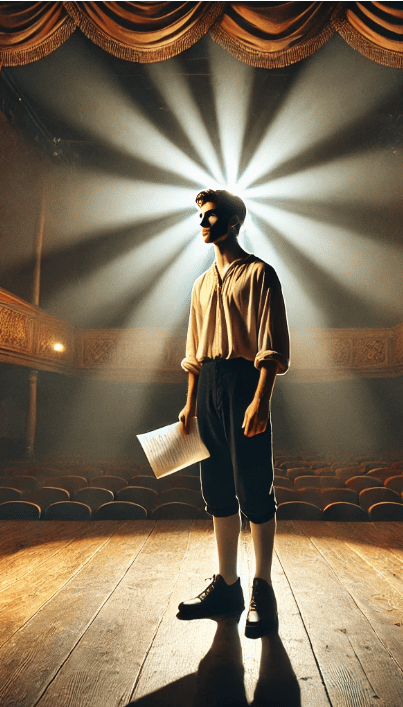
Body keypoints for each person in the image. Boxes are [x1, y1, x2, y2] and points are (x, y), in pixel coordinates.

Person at [176, 188, 290, 639]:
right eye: (201, 217)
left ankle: (263, 589)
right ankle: (228, 587)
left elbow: (271, 344)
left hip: (245, 383)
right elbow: (194, 350)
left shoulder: (261, 273)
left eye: (210, 217)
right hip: (208, 387)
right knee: (218, 491)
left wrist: (261, 398)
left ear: (233, 222)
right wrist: (189, 401)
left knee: (254, 490)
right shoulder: (200, 284)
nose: (203, 224)